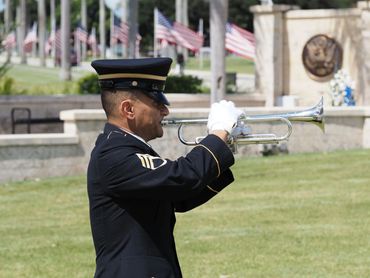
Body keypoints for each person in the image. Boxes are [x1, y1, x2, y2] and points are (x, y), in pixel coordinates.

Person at [88, 57, 243, 278]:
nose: (165, 111)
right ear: (128, 109)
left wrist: (225, 144)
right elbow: (182, 177)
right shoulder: (114, 154)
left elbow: (178, 197)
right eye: (157, 103)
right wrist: (218, 134)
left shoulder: (125, 148)